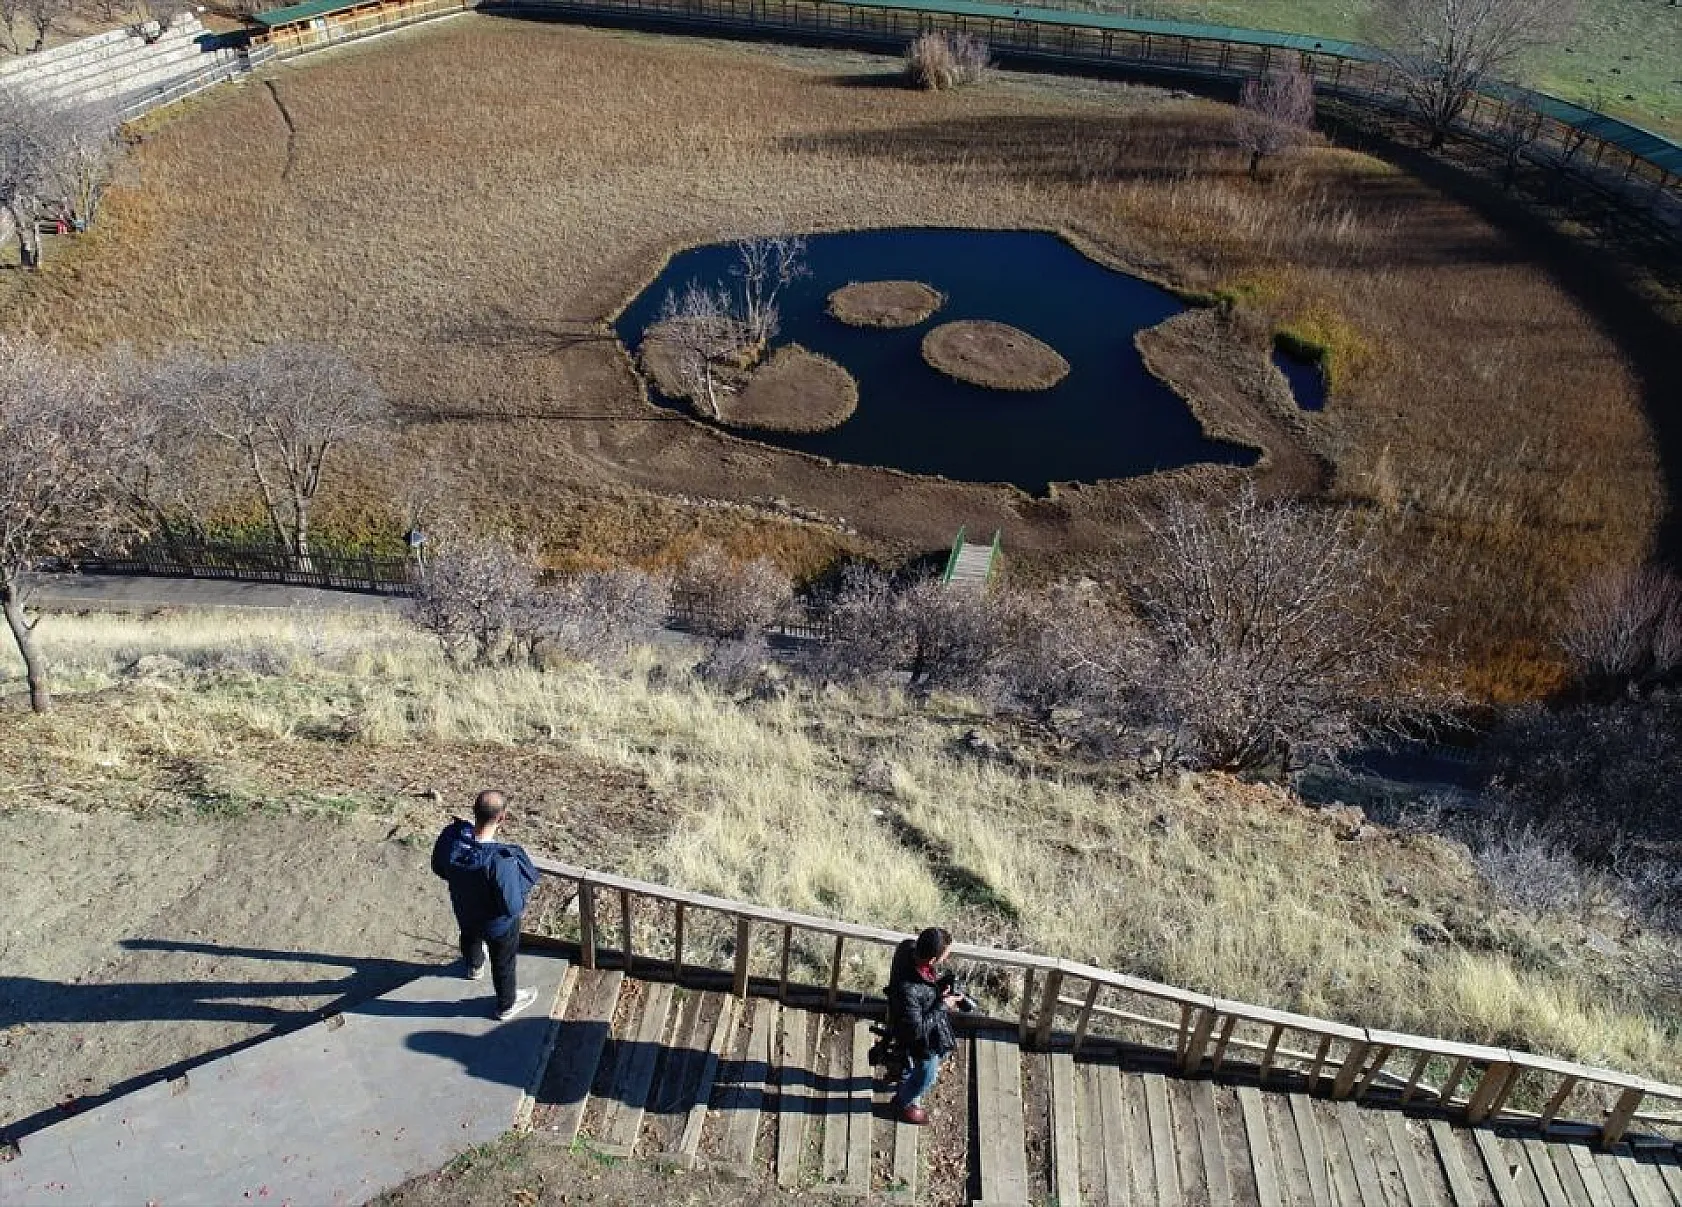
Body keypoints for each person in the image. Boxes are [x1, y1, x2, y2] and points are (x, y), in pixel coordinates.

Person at [431, 789, 540, 1020]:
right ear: (502, 818)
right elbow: (512, 906)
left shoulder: (452, 838)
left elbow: (438, 867)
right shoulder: (500, 860)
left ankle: (474, 967)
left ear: (474, 812)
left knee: (469, 935)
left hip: (465, 909)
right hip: (497, 926)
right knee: (503, 962)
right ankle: (506, 1005)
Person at [887, 926, 963, 1125]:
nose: (946, 959)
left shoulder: (907, 947)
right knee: (926, 1076)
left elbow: (922, 983)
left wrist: (937, 986)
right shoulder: (909, 990)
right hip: (918, 1039)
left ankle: (902, 1070)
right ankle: (901, 1104)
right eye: (945, 956)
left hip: (903, 1012)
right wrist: (943, 1005)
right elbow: (916, 1031)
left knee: (914, 1064)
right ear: (931, 960)